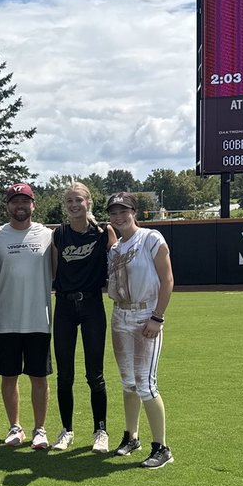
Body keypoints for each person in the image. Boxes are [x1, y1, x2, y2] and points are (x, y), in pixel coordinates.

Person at [106, 192, 175, 468]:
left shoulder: (151, 238)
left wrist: (157, 317)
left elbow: (167, 279)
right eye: (113, 212)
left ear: (134, 212)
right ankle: (131, 437)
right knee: (128, 383)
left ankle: (162, 447)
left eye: (124, 211)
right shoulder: (115, 249)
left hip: (146, 313)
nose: (119, 216)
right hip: (120, 313)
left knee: (146, 383)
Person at [0, 182, 53, 448]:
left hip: (38, 318)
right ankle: (15, 427)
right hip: (5, 319)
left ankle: (40, 429)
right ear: (7, 206)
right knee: (8, 376)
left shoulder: (47, 235)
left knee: (39, 377)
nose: (20, 206)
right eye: (15, 201)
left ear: (33, 204)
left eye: (25, 201)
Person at [50, 182, 116, 453]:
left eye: (79, 200)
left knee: (94, 374)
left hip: (91, 305)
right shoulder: (60, 234)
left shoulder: (103, 233)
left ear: (89, 202)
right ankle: (66, 430)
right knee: (64, 376)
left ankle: (101, 430)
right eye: (69, 201)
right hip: (64, 307)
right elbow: (54, 271)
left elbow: (117, 262)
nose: (74, 205)